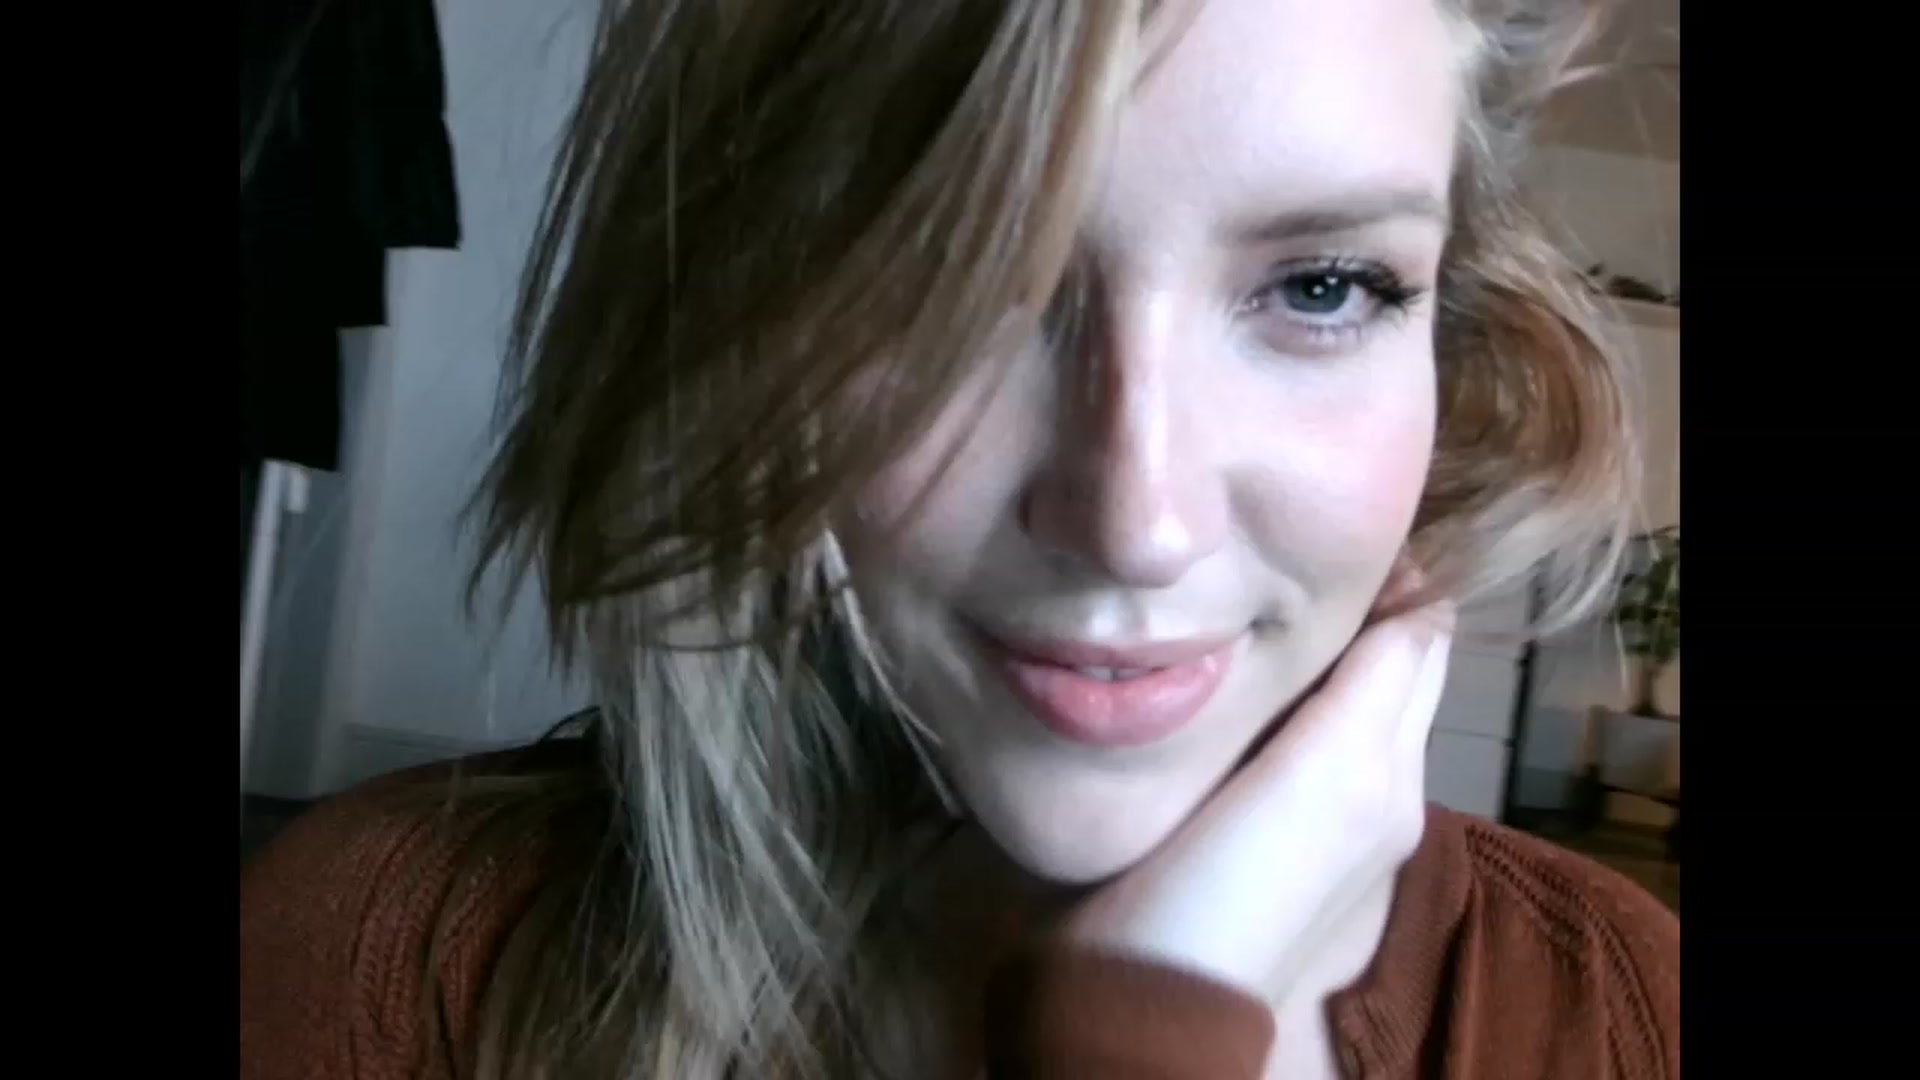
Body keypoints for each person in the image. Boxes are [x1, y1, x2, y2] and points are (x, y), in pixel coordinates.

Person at [239, 0, 1679, 1077]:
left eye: (1322, 288)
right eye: (954, 278)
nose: (1135, 523)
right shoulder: (383, 962)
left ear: (1454, 338)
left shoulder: (1622, 1014)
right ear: (747, 319)